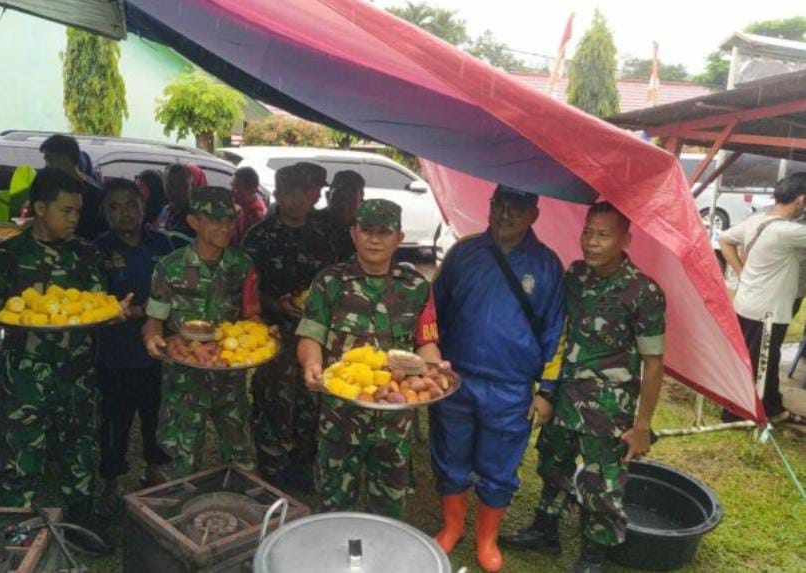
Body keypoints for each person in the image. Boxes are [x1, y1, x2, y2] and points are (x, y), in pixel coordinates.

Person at [501, 202, 666, 573]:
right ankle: (545, 529)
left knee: (600, 483)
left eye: (603, 235)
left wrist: (641, 426)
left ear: (626, 238)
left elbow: (654, 364)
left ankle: (593, 556)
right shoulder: (575, 275)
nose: (591, 242)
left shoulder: (643, 292)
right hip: (564, 397)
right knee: (552, 462)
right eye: (587, 232)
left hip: (606, 408)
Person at [429, 186, 565, 572]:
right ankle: (452, 526)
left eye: (516, 210)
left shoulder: (547, 265)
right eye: (499, 207)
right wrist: (432, 363)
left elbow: (556, 333)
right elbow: (432, 311)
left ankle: (486, 539)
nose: (505, 216)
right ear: (489, 207)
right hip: (456, 379)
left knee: (499, 465)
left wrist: (548, 392)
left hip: (511, 387)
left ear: (533, 216)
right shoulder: (464, 253)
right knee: (450, 454)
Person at [0, 168, 109, 522]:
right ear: (39, 208)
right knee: (23, 456)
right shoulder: (6, 256)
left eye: (78, 211)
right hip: (24, 377)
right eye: (66, 211)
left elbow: (97, 305)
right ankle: (19, 532)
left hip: (77, 372)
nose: (75, 219)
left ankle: (81, 525)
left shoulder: (86, 254)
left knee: (80, 451)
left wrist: (115, 312)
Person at [297, 199, 442, 519]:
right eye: (367, 230)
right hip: (340, 413)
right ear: (353, 233)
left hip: (394, 418)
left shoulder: (417, 287)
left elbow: (426, 343)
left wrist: (433, 373)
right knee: (334, 503)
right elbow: (311, 335)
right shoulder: (329, 281)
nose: (374, 239)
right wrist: (311, 365)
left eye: (384, 232)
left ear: (399, 238)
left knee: (389, 508)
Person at [143, 186, 262, 477]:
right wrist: (151, 338)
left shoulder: (242, 265)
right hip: (184, 378)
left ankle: (240, 508)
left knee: (241, 455)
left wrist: (263, 335)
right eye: (215, 220)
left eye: (229, 220)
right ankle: (178, 513)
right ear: (194, 222)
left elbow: (252, 314)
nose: (225, 227)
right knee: (181, 458)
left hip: (229, 375)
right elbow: (154, 319)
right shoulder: (169, 267)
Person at [241, 165, 338, 490]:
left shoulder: (327, 234)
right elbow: (249, 290)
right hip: (275, 335)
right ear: (278, 194)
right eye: (288, 193)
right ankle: (270, 470)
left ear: (312, 196)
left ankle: (303, 466)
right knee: (273, 402)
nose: (295, 200)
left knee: (313, 400)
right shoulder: (259, 235)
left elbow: (337, 281)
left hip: (317, 335)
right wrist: (277, 305)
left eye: (302, 193)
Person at [93, 179, 174, 509]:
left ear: (144, 207)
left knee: (156, 416)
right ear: (104, 212)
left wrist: (142, 311)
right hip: (114, 355)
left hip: (157, 353)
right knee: (115, 421)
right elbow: (92, 301)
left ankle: (154, 470)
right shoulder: (97, 250)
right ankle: (111, 480)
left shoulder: (163, 244)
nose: (124, 213)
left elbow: (175, 292)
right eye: (114, 206)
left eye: (131, 204)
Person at [718, 173, 806, 425]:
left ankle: (771, 407)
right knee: (760, 362)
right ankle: (736, 413)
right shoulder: (787, 231)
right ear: (800, 200)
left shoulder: (757, 220)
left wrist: (740, 271)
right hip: (767, 311)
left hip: (748, 303)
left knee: (758, 359)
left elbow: (724, 239)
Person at [39, 134, 106, 240]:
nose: (46, 166)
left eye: (49, 159)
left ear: (64, 158)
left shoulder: (92, 194)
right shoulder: (55, 188)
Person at [317, 170, 365, 261]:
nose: (345, 202)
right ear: (327, 196)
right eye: (340, 196)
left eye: (351, 197)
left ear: (361, 199)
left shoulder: (368, 229)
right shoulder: (312, 223)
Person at [156, 163, 196, 248]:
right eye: (170, 184)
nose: (175, 189)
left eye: (181, 184)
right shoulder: (165, 211)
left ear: (191, 185)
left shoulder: (198, 215)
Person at [231, 166, 267, 247]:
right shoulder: (243, 209)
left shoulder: (257, 216)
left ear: (251, 190)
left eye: (237, 189)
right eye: (232, 187)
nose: (233, 192)